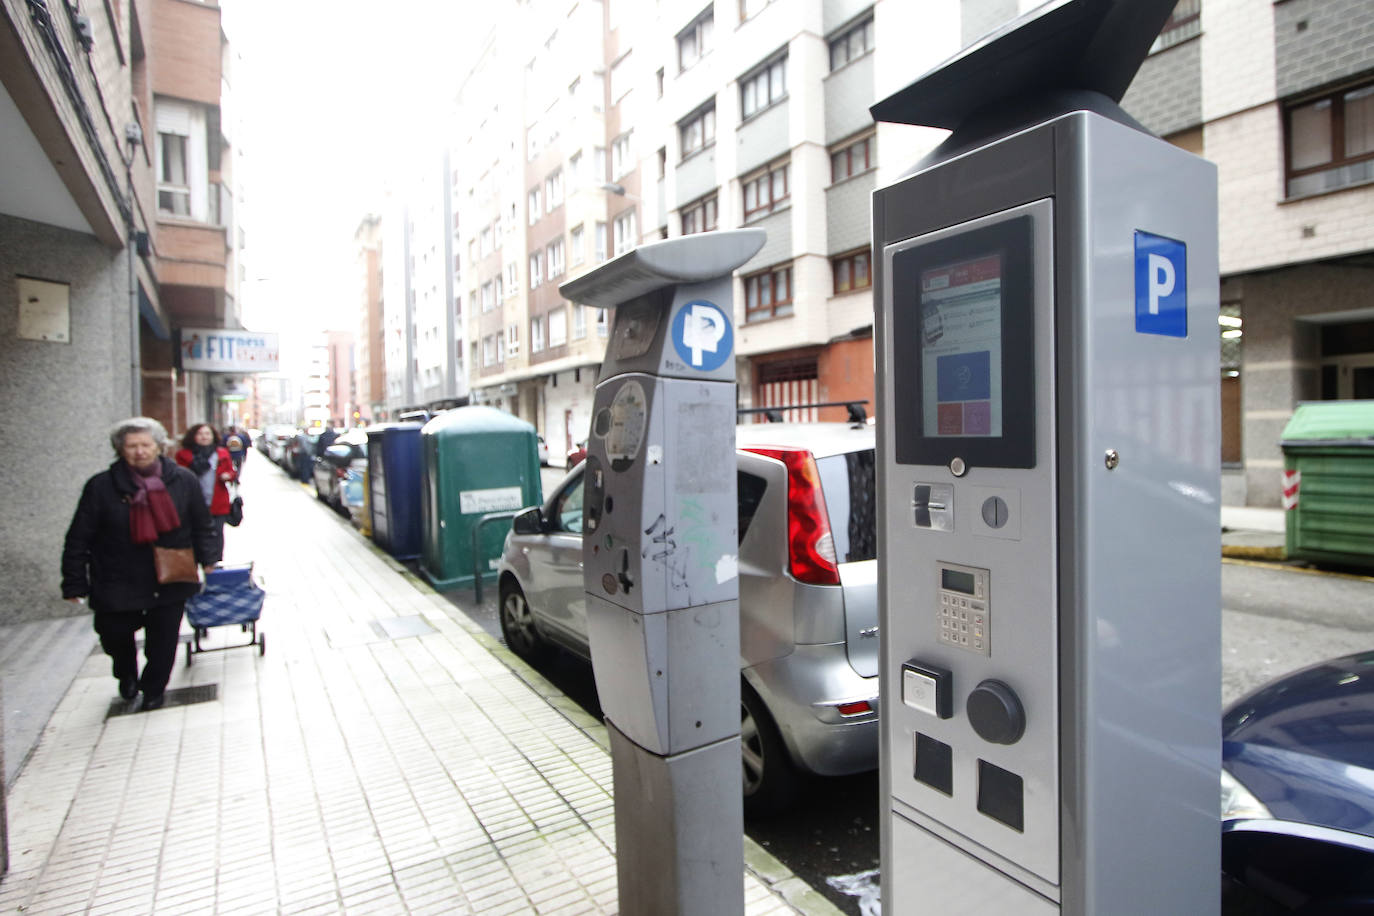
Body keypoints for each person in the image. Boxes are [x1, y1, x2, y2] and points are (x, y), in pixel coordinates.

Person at [61, 417, 219, 709]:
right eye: (132, 446)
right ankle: (125, 672)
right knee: (113, 632)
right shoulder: (101, 486)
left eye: (146, 445)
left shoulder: (183, 480)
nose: (139, 452)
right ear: (120, 450)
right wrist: (74, 581)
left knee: (163, 639)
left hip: (169, 572)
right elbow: (79, 537)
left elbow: (202, 523)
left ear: (159, 447)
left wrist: (209, 557)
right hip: (116, 573)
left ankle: (154, 689)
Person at [174, 424, 238, 556]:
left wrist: (228, 476)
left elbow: (231, 472)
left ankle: (215, 567)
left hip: (218, 504)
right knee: (193, 538)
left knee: (216, 538)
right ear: (193, 436)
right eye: (200, 434)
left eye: (207, 434)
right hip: (192, 505)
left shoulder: (222, 453)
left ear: (213, 436)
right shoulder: (183, 455)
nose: (204, 437)